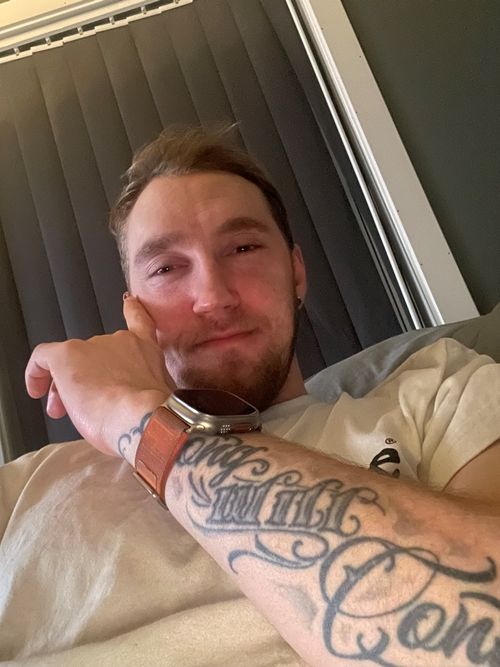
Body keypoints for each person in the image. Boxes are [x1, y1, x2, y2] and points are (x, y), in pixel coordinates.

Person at [1, 126, 499, 667]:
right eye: (166, 268)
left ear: (297, 273)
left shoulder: (442, 392)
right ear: (133, 308)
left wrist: (138, 418)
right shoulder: (23, 489)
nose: (213, 297)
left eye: (243, 248)